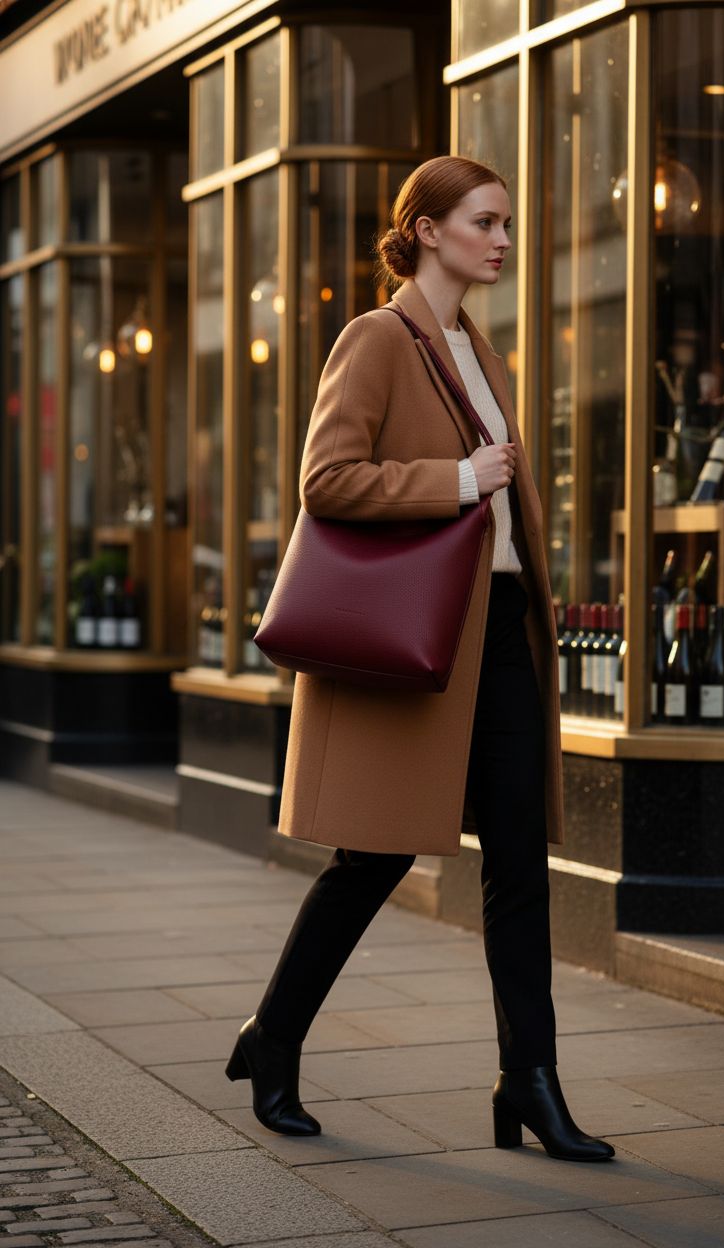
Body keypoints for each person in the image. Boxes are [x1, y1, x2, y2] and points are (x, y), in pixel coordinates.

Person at [225, 155, 615, 1164]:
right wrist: (453, 477)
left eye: (505, 223)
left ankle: (528, 1080)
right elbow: (327, 480)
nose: (500, 239)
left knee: (520, 867)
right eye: (484, 221)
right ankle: (273, 1038)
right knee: (375, 858)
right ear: (428, 230)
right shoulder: (376, 339)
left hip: (504, 634)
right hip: (425, 647)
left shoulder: (476, 347)